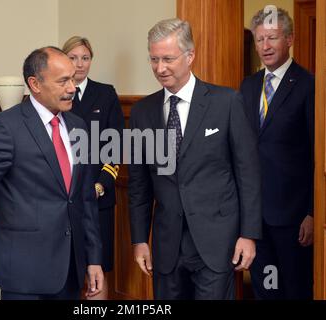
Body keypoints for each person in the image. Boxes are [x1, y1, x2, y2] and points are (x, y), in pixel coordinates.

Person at [0, 46, 104, 300]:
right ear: (35, 84)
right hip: (23, 276)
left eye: (73, 79)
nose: (72, 88)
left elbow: (84, 200)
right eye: (63, 81)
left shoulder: (79, 126)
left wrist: (93, 259)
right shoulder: (6, 126)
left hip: (70, 272)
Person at [128, 18, 262, 300]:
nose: (160, 68)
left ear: (190, 56)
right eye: (153, 59)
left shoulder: (226, 102)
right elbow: (139, 184)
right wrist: (139, 239)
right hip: (166, 247)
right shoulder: (142, 112)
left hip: (216, 242)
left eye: (168, 59)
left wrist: (248, 235)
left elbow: (247, 173)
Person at [240, 8, 314, 300]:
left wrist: (312, 212)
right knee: (265, 288)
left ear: (290, 39)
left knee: (294, 289)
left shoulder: (309, 85)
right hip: (255, 217)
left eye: (272, 38)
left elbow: (317, 154)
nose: (265, 46)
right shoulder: (247, 86)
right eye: (260, 39)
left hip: (293, 218)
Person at [62, 36, 124, 300]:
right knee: (66, 268)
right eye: (73, 58)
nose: (80, 64)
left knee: (97, 269)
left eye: (85, 58)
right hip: (63, 198)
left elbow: (117, 146)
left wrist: (101, 185)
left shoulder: (105, 93)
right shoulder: (56, 94)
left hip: (98, 195)